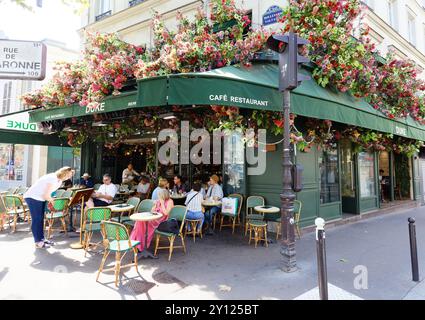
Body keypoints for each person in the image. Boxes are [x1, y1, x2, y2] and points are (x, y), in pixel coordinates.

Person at [24, 167, 74, 249]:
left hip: (40, 198)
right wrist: (53, 201)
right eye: (68, 175)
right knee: (37, 219)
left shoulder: (59, 180)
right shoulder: (52, 178)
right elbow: (46, 195)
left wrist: (51, 199)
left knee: (40, 219)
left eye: (70, 176)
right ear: (64, 173)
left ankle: (42, 239)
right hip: (33, 197)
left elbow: (48, 193)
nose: (69, 178)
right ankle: (38, 242)